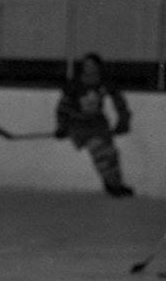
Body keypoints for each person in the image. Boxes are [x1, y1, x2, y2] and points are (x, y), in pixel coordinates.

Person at [55, 52, 133, 197]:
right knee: (101, 153)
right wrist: (61, 126)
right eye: (86, 65)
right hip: (79, 125)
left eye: (91, 65)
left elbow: (120, 102)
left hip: (98, 124)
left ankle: (114, 184)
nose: (88, 68)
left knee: (111, 154)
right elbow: (63, 107)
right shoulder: (75, 84)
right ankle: (112, 185)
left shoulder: (103, 83)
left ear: (98, 67)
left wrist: (123, 121)